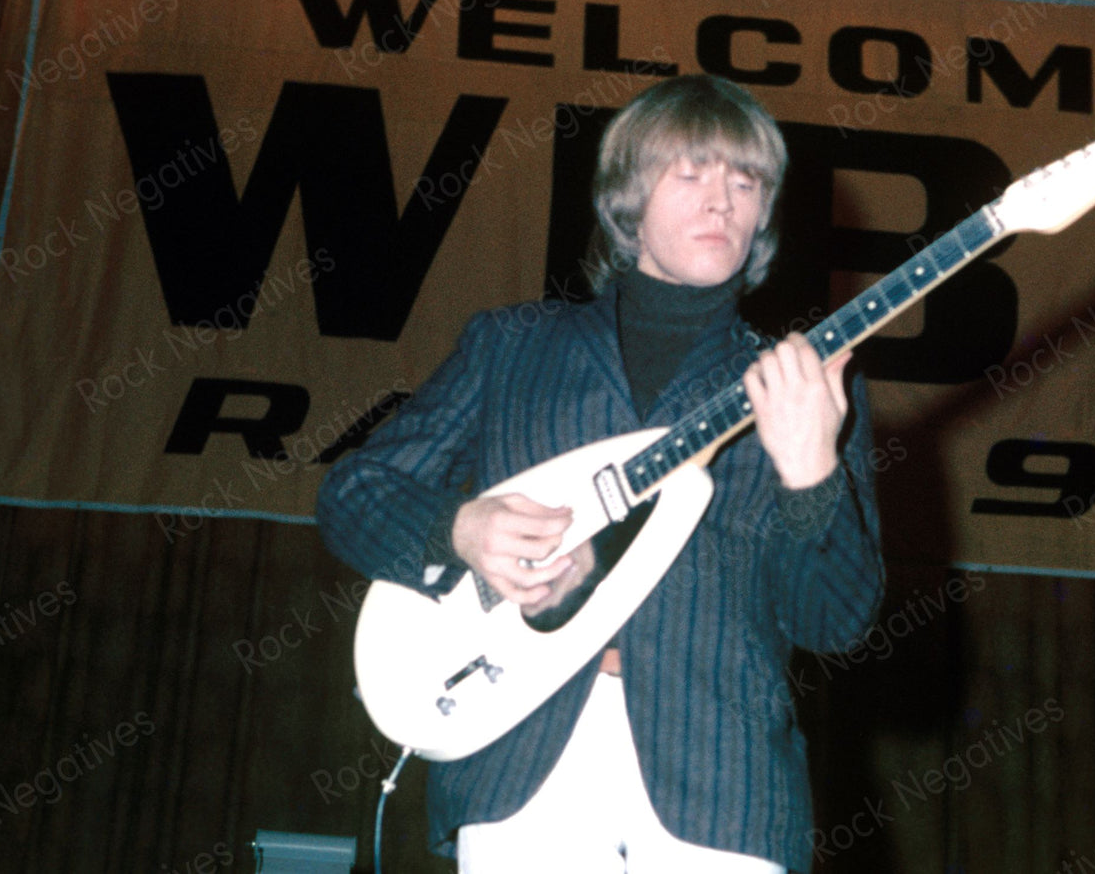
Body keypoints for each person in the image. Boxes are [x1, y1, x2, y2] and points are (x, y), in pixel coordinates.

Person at [316, 73, 884, 873]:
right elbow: (351, 494)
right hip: (519, 762)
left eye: (745, 179)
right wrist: (460, 526)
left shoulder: (807, 386)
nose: (721, 200)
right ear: (627, 198)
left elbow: (836, 622)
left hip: (724, 786)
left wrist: (809, 474)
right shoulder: (511, 347)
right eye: (690, 172)